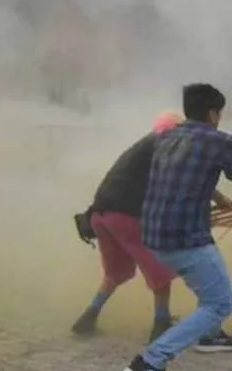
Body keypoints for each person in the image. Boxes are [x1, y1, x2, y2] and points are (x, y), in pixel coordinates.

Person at [122, 84, 232, 371]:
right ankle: (151, 361)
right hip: (185, 236)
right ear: (214, 113)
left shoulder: (167, 138)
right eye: (220, 113)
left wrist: (217, 198)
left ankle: (211, 336)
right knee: (220, 302)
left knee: (210, 285)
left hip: (153, 233)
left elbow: (186, 173)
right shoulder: (219, 140)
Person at [71, 111, 184, 342]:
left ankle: (89, 315)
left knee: (116, 271)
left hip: (99, 215)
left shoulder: (143, 147)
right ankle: (161, 324)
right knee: (161, 269)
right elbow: (177, 182)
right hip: (125, 216)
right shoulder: (165, 147)